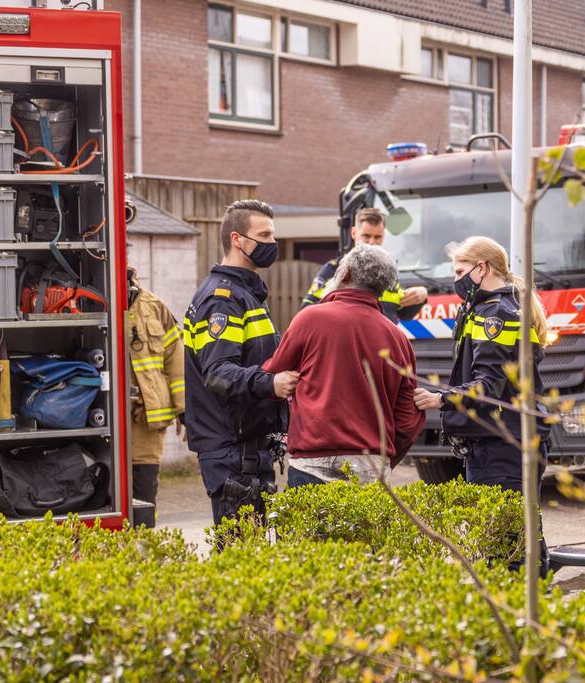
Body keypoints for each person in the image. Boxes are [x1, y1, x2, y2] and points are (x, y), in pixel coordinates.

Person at [412, 237, 551, 568]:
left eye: (460, 271)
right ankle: (534, 607)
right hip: (507, 438)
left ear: (481, 268)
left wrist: (439, 398)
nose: (455, 279)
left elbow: (488, 386)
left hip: (501, 443)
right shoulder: (492, 308)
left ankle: (519, 612)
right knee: (522, 537)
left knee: (506, 546)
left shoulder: (497, 315)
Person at [264, 244, 425, 487]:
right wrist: (384, 456)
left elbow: (273, 376)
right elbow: (408, 415)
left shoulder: (309, 319)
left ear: (346, 273)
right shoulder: (397, 337)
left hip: (311, 460)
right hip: (370, 464)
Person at [183, 199, 299, 525]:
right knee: (239, 550)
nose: (272, 244)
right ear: (238, 240)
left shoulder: (245, 295)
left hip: (247, 447)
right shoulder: (223, 300)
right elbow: (218, 372)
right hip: (233, 451)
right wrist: (271, 383)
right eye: (264, 235)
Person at [300, 207, 428, 323]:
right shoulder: (334, 270)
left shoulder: (386, 272)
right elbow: (307, 311)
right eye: (366, 236)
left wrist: (422, 295)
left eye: (377, 237)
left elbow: (403, 313)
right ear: (354, 233)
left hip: (384, 347)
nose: (372, 242)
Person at [127, 266, 186, 507]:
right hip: (100, 421)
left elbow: (176, 362)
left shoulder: (153, 306)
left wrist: (184, 410)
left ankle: (141, 543)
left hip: (145, 421)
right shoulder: (95, 301)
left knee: (144, 493)